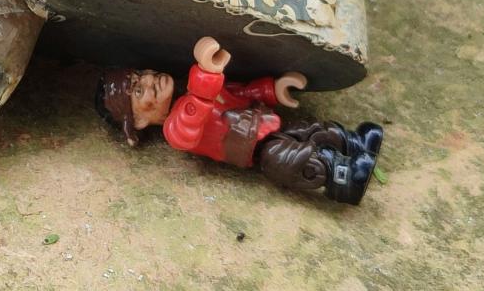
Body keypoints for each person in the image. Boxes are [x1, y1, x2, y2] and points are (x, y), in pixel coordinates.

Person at [95, 36, 383, 205]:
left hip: (268, 123)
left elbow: (237, 92)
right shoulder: (176, 130)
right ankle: (345, 178)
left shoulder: (192, 93)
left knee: (314, 130)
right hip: (258, 151)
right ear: (141, 121)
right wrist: (206, 70)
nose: (148, 80)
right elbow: (198, 108)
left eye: (139, 76)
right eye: (138, 90)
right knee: (299, 159)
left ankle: (354, 142)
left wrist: (272, 89)